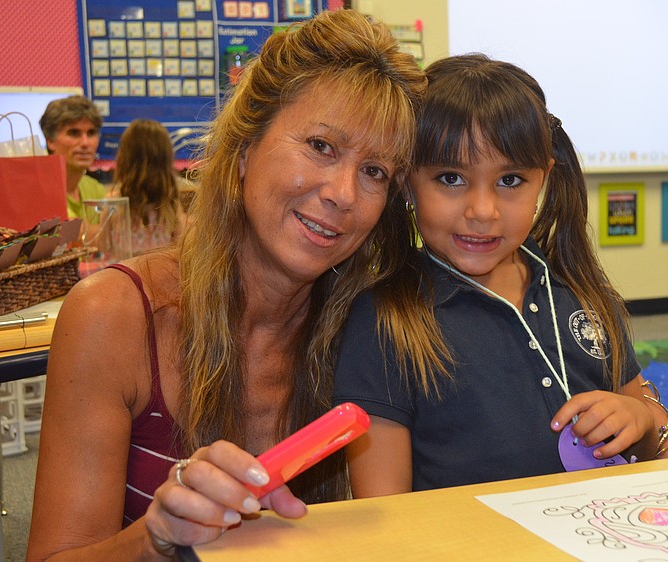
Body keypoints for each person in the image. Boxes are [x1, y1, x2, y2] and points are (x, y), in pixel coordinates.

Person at [26, 9, 425, 560]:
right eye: (321, 146)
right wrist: (158, 536)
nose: (344, 194)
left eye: (375, 172)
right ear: (243, 151)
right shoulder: (116, 315)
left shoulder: (371, 334)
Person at [333, 54, 668, 498]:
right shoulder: (386, 320)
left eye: (510, 181)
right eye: (450, 178)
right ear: (408, 183)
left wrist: (643, 421)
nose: (483, 212)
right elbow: (386, 516)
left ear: (543, 177)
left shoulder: (579, 290)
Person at [109, 118, 189, 255]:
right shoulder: (169, 202)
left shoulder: (114, 201)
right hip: (159, 272)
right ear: (165, 159)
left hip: (123, 272)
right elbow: (181, 245)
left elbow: (103, 247)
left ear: (124, 157)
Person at [39, 95, 106, 219]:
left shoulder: (96, 189)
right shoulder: (38, 191)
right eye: (74, 133)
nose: (85, 143)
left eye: (91, 133)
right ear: (50, 141)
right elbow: (73, 235)